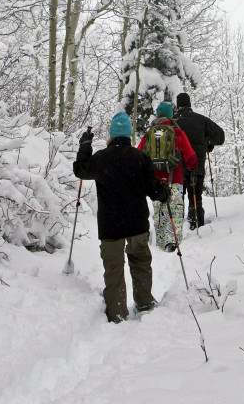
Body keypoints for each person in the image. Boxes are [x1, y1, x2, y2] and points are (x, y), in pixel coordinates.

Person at [73, 111, 170, 324]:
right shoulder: (140, 158)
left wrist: (85, 146)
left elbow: (80, 170)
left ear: (111, 134)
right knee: (141, 262)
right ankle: (144, 302)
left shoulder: (100, 159)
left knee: (114, 268)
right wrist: (165, 192)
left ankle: (117, 313)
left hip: (110, 225)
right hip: (136, 223)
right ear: (129, 134)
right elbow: (154, 191)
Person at [138, 102, 197, 251]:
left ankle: (161, 243)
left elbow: (139, 155)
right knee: (175, 210)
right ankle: (173, 242)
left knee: (159, 212)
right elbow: (190, 157)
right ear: (171, 116)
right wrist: (192, 166)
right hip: (175, 179)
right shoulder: (177, 133)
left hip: (155, 181)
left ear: (157, 115)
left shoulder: (149, 134)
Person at [174, 92, 225, 228]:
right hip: (196, 164)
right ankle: (196, 222)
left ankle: (177, 226)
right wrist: (209, 143)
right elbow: (220, 137)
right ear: (189, 105)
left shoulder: (173, 122)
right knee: (196, 195)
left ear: (177, 105)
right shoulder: (201, 120)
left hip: (177, 166)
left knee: (178, 198)